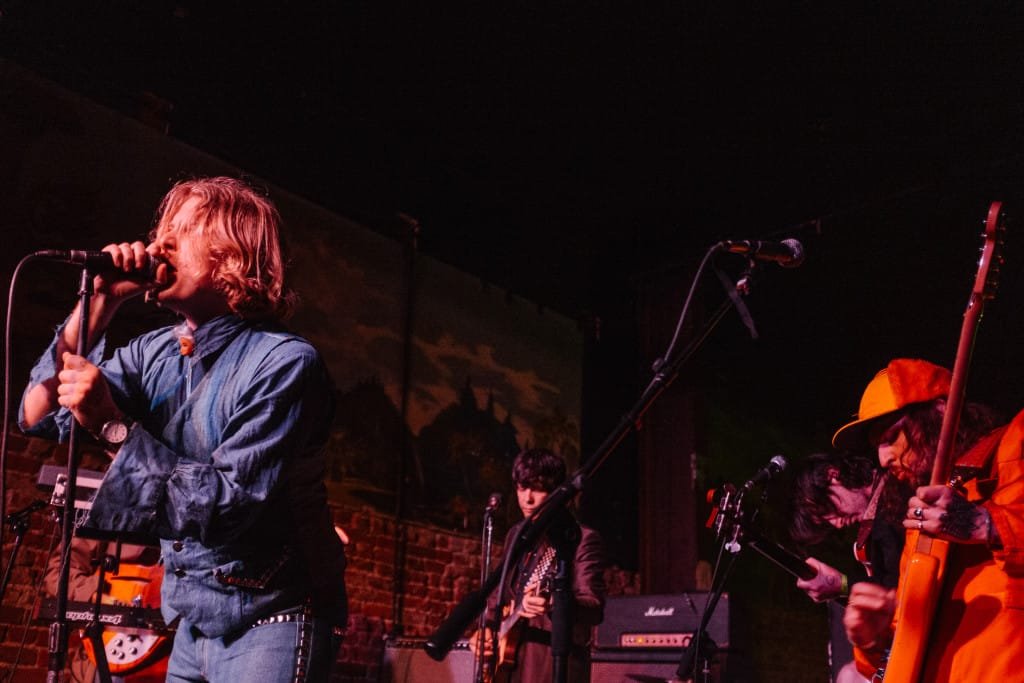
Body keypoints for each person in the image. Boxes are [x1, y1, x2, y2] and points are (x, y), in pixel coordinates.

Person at [20, 176, 347, 682]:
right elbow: (37, 413)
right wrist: (100, 304)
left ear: (233, 256)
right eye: (162, 228)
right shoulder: (158, 351)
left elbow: (225, 505)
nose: (160, 243)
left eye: (184, 228)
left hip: (273, 616)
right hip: (193, 624)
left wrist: (111, 426)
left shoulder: (284, 363)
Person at [830, 358, 1021, 681]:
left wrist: (984, 523)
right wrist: (873, 638)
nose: (882, 457)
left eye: (891, 436)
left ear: (940, 412)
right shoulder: (920, 530)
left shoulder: (1015, 440)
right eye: (877, 445)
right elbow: (904, 647)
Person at [470, 448, 606, 682]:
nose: (527, 498)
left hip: (550, 664)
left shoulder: (581, 538)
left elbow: (594, 607)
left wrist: (554, 602)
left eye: (538, 489)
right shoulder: (516, 534)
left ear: (557, 493)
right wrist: (486, 629)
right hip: (509, 662)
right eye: (522, 488)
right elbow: (498, 593)